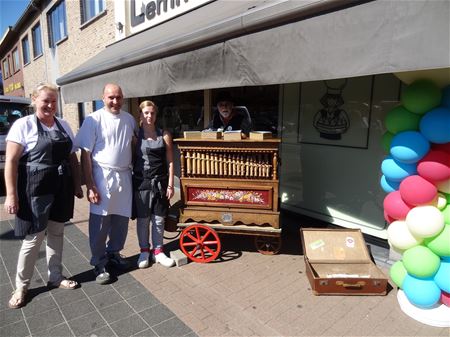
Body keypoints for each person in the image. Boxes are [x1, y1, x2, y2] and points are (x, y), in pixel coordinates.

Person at [4, 83, 83, 309]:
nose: (50, 105)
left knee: (57, 232)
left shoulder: (64, 125)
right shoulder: (24, 125)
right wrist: (11, 195)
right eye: (45, 100)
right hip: (35, 189)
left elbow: (73, 158)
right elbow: (10, 161)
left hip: (61, 187)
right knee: (33, 238)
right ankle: (21, 286)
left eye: (53, 101)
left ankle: (55, 276)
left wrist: (77, 184)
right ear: (34, 100)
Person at [75, 83, 137, 284]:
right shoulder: (93, 119)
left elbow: (133, 145)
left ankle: (114, 253)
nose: (115, 101)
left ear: (123, 97)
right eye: (111, 97)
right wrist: (90, 185)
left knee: (120, 220)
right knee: (100, 223)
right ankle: (99, 262)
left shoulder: (129, 119)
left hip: (124, 177)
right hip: (102, 177)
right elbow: (86, 154)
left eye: (118, 97)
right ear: (103, 98)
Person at [134, 101, 175, 268]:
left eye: (152, 113)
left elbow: (170, 161)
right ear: (141, 115)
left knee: (158, 219)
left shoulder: (164, 134)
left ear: (156, 115)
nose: (149, 116)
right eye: (146, 113)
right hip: (141, 182)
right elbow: (130, 159)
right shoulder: (135, 136)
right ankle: (144, 251)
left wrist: (171, 184)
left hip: (160, 182)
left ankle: (158, 251)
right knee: (143, 220)